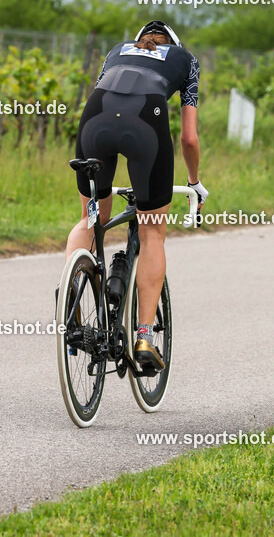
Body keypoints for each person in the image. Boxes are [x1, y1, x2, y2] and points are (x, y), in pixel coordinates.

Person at [65, 21, 207, 370]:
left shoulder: (116, 50)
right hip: (146, 122)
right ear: (172, 43)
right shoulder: (186, 60)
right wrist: (194, 182)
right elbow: (189, 138)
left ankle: (71, 305)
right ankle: (144, 335)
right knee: (152, 230)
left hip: (94, 118)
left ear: (140, 39)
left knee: (91, 218)